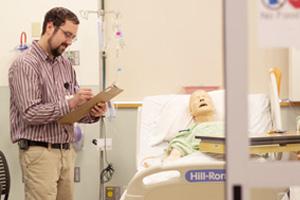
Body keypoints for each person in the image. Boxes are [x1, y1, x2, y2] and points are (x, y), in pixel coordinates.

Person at [8, 7, 106, 200]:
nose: (69, 42)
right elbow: (30, 113)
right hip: (39, 153)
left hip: (66, 152)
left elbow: (73, 111)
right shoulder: (25, 64)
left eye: (73, 37)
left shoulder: (65, 65)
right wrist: (70, 103)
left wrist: (92, 112)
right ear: (50, 27)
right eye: (66, 34)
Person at [164, 89, 224, 161]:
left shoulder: (228, 126)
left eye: (205, 97)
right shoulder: (190, 131)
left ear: (213, 107)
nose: (201, 99)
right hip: (202, 162)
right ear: (191, 111)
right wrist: (172, 157)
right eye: (196, 99)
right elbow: (180, 144)